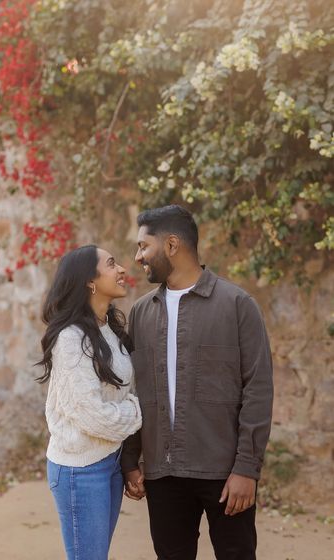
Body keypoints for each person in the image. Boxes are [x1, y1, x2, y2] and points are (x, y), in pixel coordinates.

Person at [121, 205, 273, 560]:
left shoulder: (237, 305)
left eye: (144, 246)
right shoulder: (141, 313)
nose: (138, 257)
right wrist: (131, 460)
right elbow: (131, 391)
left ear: (172, 245)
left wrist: (247, 469)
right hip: (162, 474)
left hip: (225, 473)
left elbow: (258, 389)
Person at [36, 244, 142, 560]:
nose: (122, 268)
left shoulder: (108, 328)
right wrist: (141, 410)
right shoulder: (71, 339)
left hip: (109, 460)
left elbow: (121, 395)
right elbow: (92, 415)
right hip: (79, 471)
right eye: (111, 263)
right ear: (89, 281)